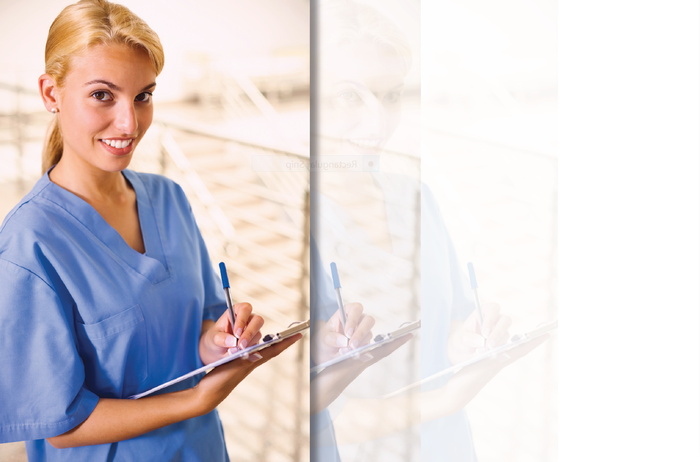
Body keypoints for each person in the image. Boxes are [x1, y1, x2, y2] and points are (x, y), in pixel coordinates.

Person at [0, 1, 301, 460]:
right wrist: (196, 400)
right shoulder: (29, 244)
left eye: (143, 96)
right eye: (103, 95)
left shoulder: (168, 198)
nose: (129, 122)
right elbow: (62, 423)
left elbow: (197, 326)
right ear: (50, 93)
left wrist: (218, 341)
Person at [310, 1, 549, 460]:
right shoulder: (289, 219)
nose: (379, 122)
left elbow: (449, 321)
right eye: (348, 96)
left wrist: (468, 339)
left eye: (392, 94)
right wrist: (446, 401)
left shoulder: (416, 197)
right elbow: (320, 410)